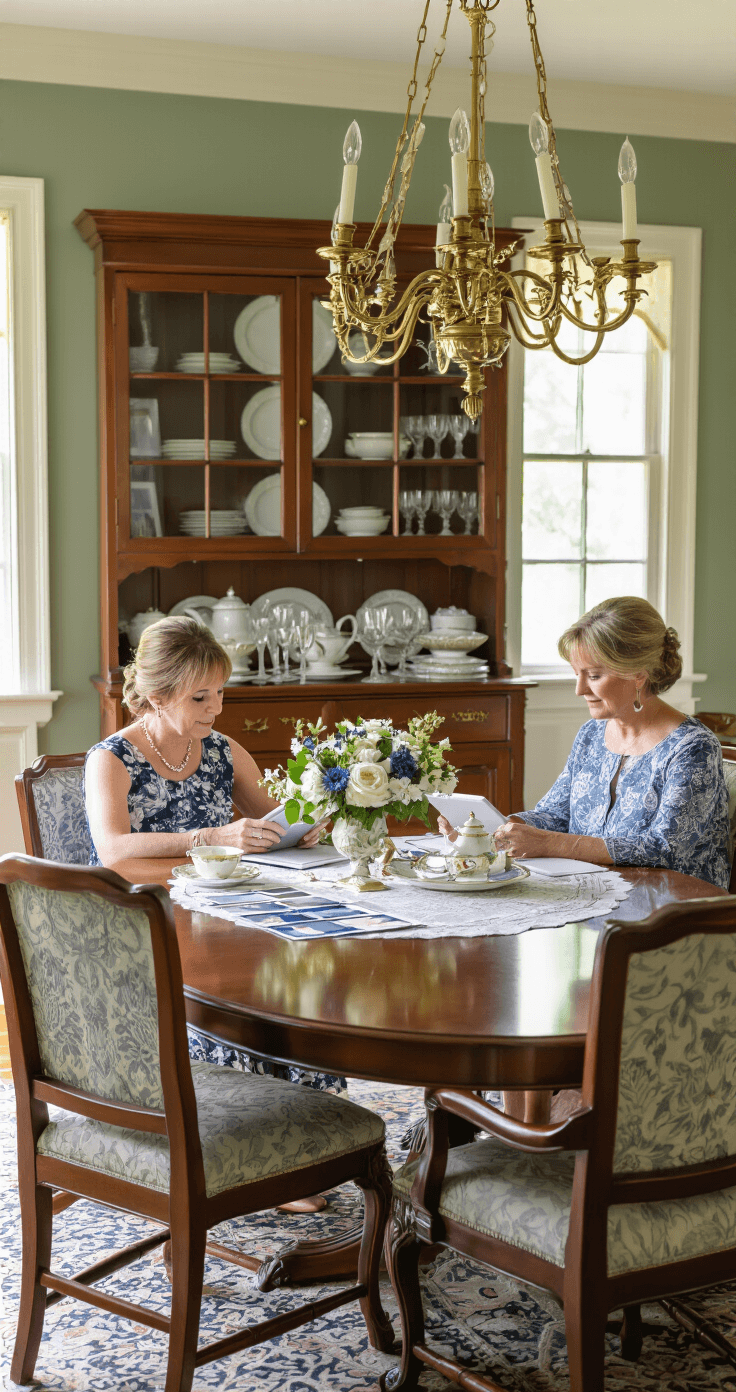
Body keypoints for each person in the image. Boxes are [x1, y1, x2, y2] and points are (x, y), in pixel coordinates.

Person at [84, 615, 342, 1211]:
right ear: (155, 695)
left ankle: (296, 1144)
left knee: (298, 974)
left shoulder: (223, 751)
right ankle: (249, 1148)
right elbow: (114, 850)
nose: (217, 709)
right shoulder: (112, 758)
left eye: (221, 693)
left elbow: (275, 818)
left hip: (224, 907)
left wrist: (297, 831)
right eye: (201, 696)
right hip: (145, 919)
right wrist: (215, 833)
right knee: (243, 986)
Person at [484, 597, 730, 889]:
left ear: (638, 674)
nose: (579, 690)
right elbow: (556, 815)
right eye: (578, 674)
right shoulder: (591, 734)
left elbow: (665, 849)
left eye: (594, 676)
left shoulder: (693, 747)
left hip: (672, 908)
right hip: (594, 888)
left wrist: (552, 844)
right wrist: (492, 828)